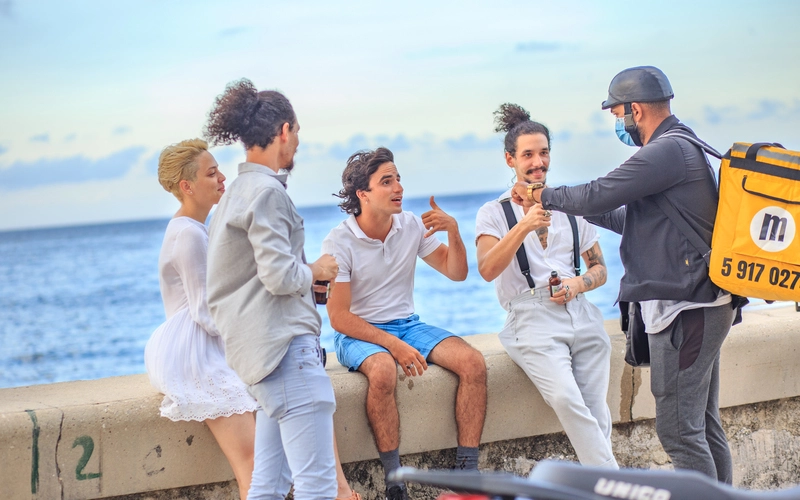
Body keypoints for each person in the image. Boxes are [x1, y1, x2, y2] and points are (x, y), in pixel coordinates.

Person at [515, 66, 737, 483]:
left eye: (618, 115)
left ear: (636, 109)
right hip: (703, 303)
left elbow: (598, 191)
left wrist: (541, 193)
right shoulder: (684, 144)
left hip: (685, 309)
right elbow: (625, 217)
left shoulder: (665, 151)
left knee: (680, 433)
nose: (619, 124)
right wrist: (564, 204)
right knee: (703, 427)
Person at [203, 79, 355, 500]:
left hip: (259, 357)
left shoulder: (233, 195)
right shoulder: (267, 192)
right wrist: (317, 270)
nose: (297, 143)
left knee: (268, 486)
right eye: (297, 133)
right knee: (318, 487)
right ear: (284, 131)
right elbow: (279, 276)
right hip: (286, 351)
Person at [324, 147, 488, 500]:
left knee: (473, 363)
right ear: (363, 194)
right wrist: (392, 345)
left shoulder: (410, 225)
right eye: (387, 181)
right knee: (383, 370)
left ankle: (467, 476)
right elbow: (338, 317)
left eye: (398, 178)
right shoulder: (340, 241)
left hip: (407, 324)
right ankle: (395, 482)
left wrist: (454, 231)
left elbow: (456, 272)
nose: (398, 187)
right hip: (357, 332)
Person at [475, 104, 618, 469]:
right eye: (527, 155)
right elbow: (488, 269)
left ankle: (604, 489)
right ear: (510, 159)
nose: (537, 162)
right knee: (568, 400)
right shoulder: (494, 213)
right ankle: (619, 486)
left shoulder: (569, 207)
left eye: (543, 152)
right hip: (531, 318)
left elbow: (600, 268)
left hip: (581, 313)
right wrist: (523, 225)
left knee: (597, 411)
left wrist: (576, 284)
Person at [144, 138, 258, 500]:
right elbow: (207, 315)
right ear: (187, 186)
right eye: (212, 173)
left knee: (261, 463)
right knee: (253, 467)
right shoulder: (188, 234)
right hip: (195, 351)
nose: (222, 177)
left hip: (198, 343)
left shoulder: (193, 228)